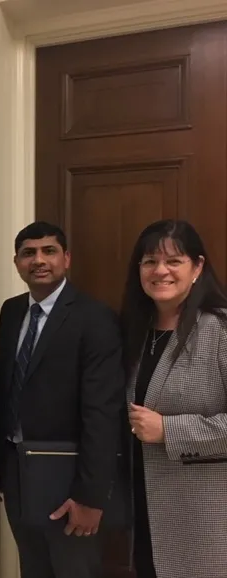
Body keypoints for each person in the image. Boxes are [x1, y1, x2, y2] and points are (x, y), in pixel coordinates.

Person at [0, 221, 125, 578]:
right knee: (33, 568)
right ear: (16, 262)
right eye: (28, 253)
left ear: (67, 258)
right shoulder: (12, 311)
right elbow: (2, 388)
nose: (39, 260)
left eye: (49, 251)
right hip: (16, 471)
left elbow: (102, 413)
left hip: (68, 478)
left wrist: (91, 496)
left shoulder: (95, 318)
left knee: (73, 569)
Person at [120, 219, 227, 578]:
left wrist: (169, 429)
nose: (160, 270)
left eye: (173, 261)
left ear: (197, 267)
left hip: (205, 514)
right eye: (149, 261)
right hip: (140, 507)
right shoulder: (132, 331)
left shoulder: (220, 329)